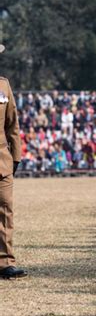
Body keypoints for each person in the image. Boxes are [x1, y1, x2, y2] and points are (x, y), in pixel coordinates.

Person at [0, 44, 27, 279]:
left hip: (2, 162)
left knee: (6, 211)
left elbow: (12, 125)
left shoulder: (3, 85)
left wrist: (16, 156)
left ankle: (6, 262)